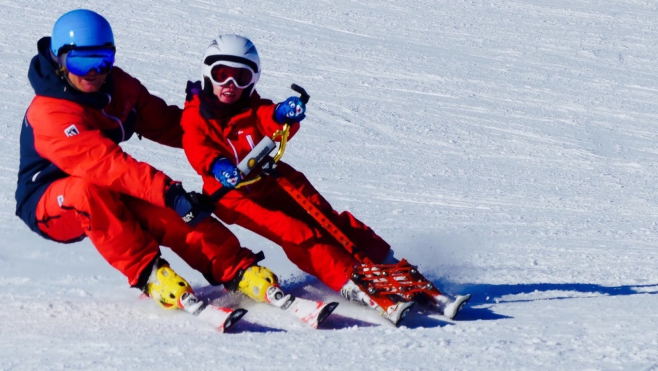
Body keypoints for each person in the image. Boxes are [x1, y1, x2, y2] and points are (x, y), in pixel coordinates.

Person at [180, 34, 470, 324]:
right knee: (297, 233)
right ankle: (355, 283)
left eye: (241, 77)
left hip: (271, 177)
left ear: (253, 80)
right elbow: (197, 146)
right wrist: (217, 166)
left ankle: (398, 272)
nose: (230, 85)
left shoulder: (253, 107)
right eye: (222, 74)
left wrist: (283, 115)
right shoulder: (196, 115)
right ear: (207, 73)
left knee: (327, 219)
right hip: (234, 197)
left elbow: (266, 118)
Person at [15, 10, 278, 312]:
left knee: (165, 211)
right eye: (80, 62)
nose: (93, 72)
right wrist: (170, 191)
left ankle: (236, 267)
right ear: (60, 61)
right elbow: (108, 165)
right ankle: (150, 274)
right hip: (49, 203)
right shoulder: (49, 113)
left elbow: (168, 124)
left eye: (102, 60)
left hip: (106, 185)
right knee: (88, 191)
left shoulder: (118, 86)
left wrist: (226, 140)